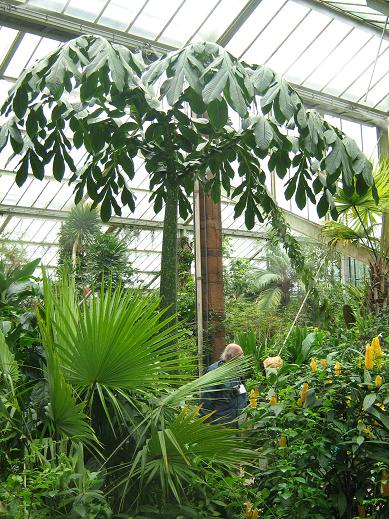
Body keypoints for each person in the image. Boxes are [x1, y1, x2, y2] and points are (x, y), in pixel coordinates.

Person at [199, 343, 247, 427]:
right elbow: (206, 399)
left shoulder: (237, 370)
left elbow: (242, 389)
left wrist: (247, 404)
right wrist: (206, 423)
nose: (242, 359)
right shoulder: (215, 371)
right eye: (240, 357)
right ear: (231, 358)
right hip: (220, 422)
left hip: (237, 420)